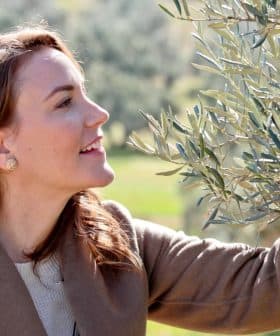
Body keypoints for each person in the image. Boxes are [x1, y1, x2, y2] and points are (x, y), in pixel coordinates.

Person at [0, 24, 279, 336]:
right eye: (64, 102)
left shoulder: (115, 243)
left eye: (85, 94)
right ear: (3, 145)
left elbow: (264, 286)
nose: (99, 113)